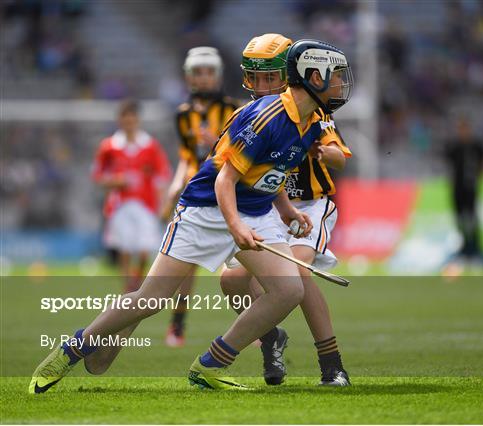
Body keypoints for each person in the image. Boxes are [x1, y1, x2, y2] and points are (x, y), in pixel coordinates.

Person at [29, 39, 354, 393]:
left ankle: (211, 365)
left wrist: (287, 209)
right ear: (313, 77)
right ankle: (72, 349)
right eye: (335, 76)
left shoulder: (312, 119)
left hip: (256, 210)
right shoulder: (266, 117)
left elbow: (269, 169)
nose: (340, 84)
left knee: (288, 289)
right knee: (151, 300)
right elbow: (225, 179)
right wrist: (234, 226)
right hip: (206, 210)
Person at [220, 33, 352, 386]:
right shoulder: (250, 115)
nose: (262, 86)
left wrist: (323, 152)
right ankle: (270, 339)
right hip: (266, 208)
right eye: (255, 77)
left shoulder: (313, 111)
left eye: (270, 77)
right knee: (230, 281)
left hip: (309, 204)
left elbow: (338, 155)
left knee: (298, 275)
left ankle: (332, 363)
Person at [162, 46, 240, 347]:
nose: (204, 78)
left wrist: (217, 143)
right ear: (188, 77)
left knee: (240, 263)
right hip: (197, 194)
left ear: (218, 75)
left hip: (230, 192)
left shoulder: (234, 109)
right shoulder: (182, 116)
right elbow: (186, 158)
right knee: (185, 264)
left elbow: (242, 155)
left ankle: (255, 324)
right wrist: (173, 189)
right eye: (198, 72)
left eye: (209, 72)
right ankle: (177, 325)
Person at [92, 100, 171, 293]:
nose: (129, 122)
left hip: (146, 203)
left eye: (132, 118)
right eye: (125, 118)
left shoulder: (150, 146)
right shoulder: (109, 146)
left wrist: (163, 200)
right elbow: (97, 175)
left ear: (137, 119)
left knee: (145, 247)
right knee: (124, 248)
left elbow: (163, 174)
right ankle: (128, 288)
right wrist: (114, 182)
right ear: (120, 120)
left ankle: (137, 279)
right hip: (120, 204)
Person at [444, 118, 483, 265]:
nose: (463, 132)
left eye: (465, 129)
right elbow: (448, 163)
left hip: (471, 187)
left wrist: (479, 176)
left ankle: (475, 247)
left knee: (472, 218)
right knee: (460, 218)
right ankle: (464, 247)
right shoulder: (454, 146)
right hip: (457, 188)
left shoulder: (476, 146)